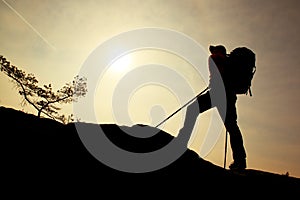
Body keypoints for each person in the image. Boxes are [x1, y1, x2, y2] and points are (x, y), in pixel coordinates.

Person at [179, 44, 247, 170]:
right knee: (232, 127)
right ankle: (240, 161)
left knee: (192, 109)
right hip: (229, 97)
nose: (212, 52)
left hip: (217, 93)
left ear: (218, 51)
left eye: (214, 50)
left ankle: (181, 141)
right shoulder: (228, 62)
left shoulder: (215, 57)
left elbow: (219, 73)